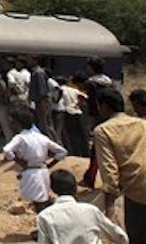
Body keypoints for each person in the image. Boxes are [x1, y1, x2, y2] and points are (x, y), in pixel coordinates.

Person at [94, 87, 146, 242]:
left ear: (104, 107)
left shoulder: (103, 131)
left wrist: (110, 209)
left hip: (137, 192)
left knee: (137, 237)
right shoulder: (142, 124)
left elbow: (109, 170)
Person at [36, 169, 128, 244]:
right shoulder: (91, 211)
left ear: (51, 190)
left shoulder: (44, 216)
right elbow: (119, 236)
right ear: (75, 188)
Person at [3, 108, 67, 213]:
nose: (10, 125)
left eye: (12, 122)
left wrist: (18, 161)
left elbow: (6, 150)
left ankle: (43, 224)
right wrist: (50, 165)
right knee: (42, 199)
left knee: (38, 203)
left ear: (18, 123)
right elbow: (62, 152)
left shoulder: (20, 138)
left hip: (30, 172)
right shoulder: (41, 137)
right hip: (43, 171)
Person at [81, 56, 113, 188]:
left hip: (97, 118)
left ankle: (90, 179)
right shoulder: (108, 81)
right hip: (111, 116)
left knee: (96, 149)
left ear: (92, 67)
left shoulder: (91, 83)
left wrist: (91, 120)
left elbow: (93, 105)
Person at [28, 56, 58, 140]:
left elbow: (42, 91)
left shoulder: (38, 73)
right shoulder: (34, 72)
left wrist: (42, 104)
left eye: (29, 59)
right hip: (39, 102)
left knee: (47, 126)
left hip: (42, 102)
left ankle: (56, 146)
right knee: (42, 126)